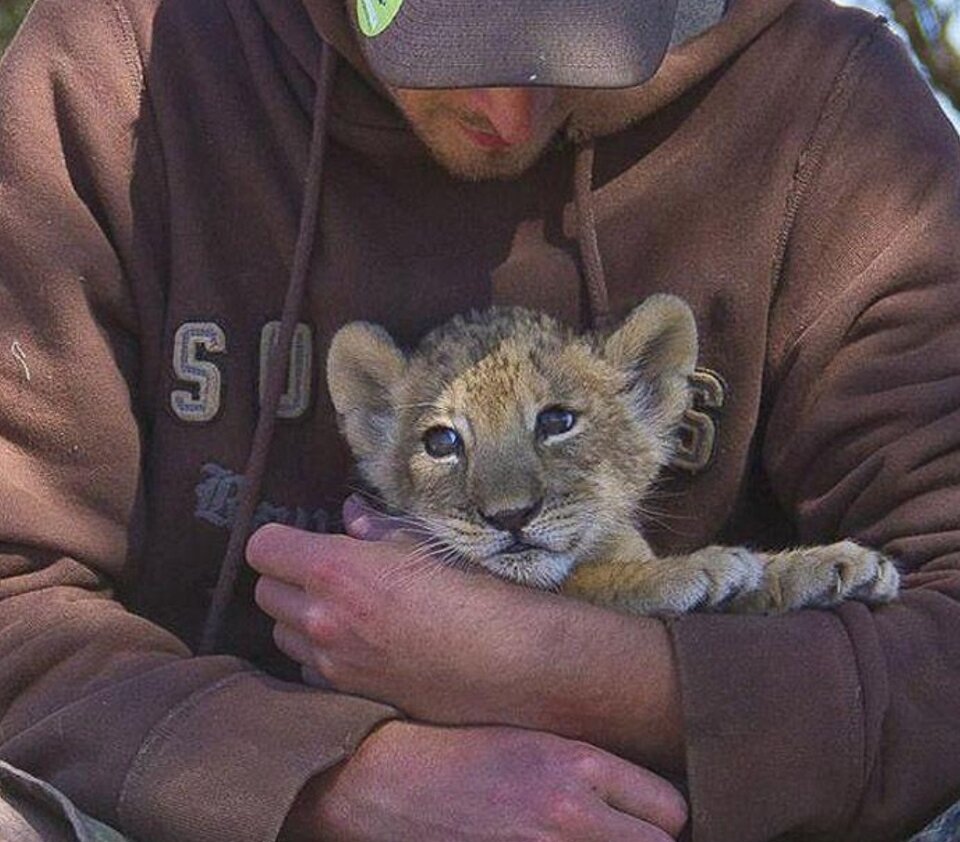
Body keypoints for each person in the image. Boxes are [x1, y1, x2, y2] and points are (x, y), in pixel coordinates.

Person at [0, 0, 958, 840]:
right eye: (444, 36)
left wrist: (580, 675)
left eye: (576, 32)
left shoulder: (831, 108)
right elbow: (15, 600)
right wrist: (336, 779)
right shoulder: (119, 59)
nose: (509, 112)